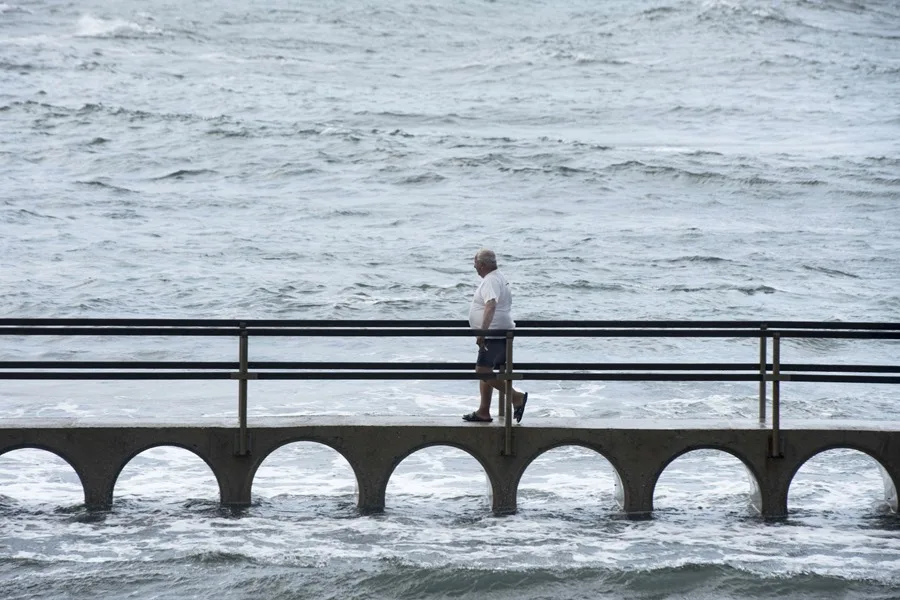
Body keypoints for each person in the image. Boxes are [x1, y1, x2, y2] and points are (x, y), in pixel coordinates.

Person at [462, 249, 528, 423]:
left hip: (494, 334)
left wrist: (483, 332)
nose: (474, 266)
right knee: (487, 371)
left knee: (482, 371)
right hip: (500, 333)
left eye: (475, 263)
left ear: (482, 265)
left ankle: (516, 397)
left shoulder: (491, 280)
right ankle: (484, 411)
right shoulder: (497, 277)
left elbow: (490, 305)